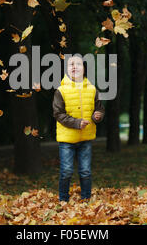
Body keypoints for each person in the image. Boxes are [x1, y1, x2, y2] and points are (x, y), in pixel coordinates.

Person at [52, 55, 105, 202]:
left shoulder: (93, 89)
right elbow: (58, 114)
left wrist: (97, 116)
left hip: (86, 138)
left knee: (85, 171)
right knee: (66, 171)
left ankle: (86, 199)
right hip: (67, 139)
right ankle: (63, 200)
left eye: (78, 64)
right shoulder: (61, 91)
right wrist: (76, 123)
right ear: (67, 69)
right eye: (71, 65)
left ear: (84, 68)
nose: (74, 67)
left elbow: (99, 110)